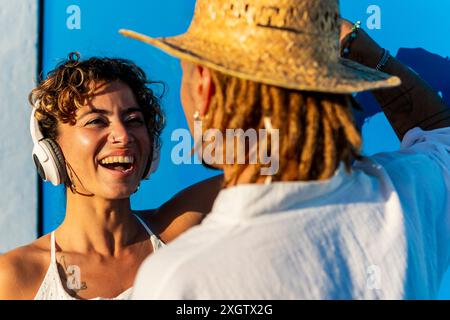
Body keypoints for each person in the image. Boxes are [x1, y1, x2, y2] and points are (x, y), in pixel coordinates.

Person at [121, 0, 450, 299]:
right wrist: (362, 50)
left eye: (188, 70)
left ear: (205, 87)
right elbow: (443, 134)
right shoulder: (407, 198)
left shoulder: (181, 279)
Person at [0, 54, 222, 300]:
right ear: (51, 152)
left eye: (133, 120)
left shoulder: (181, 232)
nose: (123, 135)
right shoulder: (15, 277)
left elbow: (261, 166)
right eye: (96, 121)